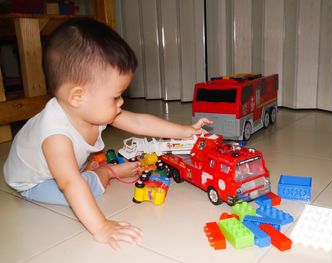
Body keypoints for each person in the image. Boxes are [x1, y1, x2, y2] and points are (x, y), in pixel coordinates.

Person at [3, 18, 212, 250]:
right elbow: (70, 183)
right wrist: (101, 227)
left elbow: (140, 123)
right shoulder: (55, 136)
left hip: (60, 167)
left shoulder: (90, 108)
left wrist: (184, 131)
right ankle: (106, 172)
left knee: (78, 176)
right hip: (33, 182)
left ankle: (91, 170)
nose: (121, 101)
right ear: (77, 96)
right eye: (116, 96)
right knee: (86, 188)